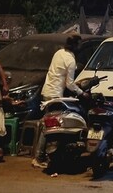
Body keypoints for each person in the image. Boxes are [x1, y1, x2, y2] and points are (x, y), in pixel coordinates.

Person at [32, 33, 90, 169]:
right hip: (56, 95)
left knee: (45, 125)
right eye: (80, 44)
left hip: (47, 91)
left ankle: (40, 155)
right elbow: (70, 84)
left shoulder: (59, 53)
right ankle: (39, 157)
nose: (80, 47)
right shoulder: (71, 60)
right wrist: (82, 93)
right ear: (75, 45)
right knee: (49, 127)